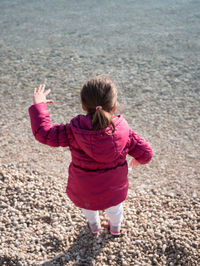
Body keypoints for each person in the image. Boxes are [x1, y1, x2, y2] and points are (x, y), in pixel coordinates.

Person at [28, 75, 153, 236]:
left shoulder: (73, 130)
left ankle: (95, 227)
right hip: (114, 189)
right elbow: (147, 153)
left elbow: (44, 133)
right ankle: (115, 229)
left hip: (83, 190)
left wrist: (40, 105)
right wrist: (137, 159)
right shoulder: (124, 131)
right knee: (115, 211)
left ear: (83, 106)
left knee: (88, 208)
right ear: (114, 107)